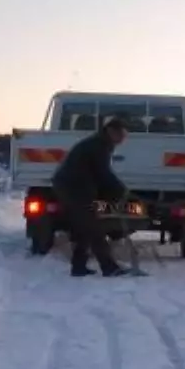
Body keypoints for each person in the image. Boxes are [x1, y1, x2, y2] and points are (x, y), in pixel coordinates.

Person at [51, 118, 132, 277]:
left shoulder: (101, 143)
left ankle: (78, 267)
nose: (123, 138)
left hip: (76, 187)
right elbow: (103, 173)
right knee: (93, 228)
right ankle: (109, 267)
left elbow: (99, 174)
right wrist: (121, 190)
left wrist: (114, 192)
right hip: (72, 187)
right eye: (121, 134)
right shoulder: (99, 146)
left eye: (125, 135)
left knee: (85, 227)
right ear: (111, 131)